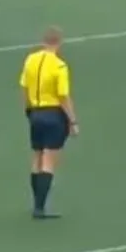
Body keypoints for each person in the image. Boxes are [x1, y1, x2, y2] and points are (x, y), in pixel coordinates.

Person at [19, 26, 78, 219]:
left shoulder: (31, 60)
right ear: (59, 43)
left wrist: (28, 109)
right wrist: (73, 121)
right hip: (53, 115)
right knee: (49, 160)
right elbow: (63, 96)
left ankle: (36, 203)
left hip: (35, 113)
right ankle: (40, 207)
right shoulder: (59, 66)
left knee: (37, 157)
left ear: (43, 41)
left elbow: (24, 87)